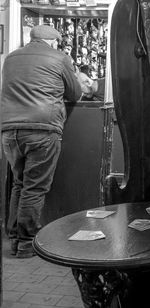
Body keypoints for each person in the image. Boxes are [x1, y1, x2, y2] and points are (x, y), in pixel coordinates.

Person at [0, 25, 82, 258]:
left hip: (9, 130)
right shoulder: (59, 58)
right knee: (34, 188)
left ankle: (15, 240)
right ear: (53, 42)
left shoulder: (11, 58)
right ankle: (26, 244)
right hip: (42, 128)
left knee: (19, 184)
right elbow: (75, 93)